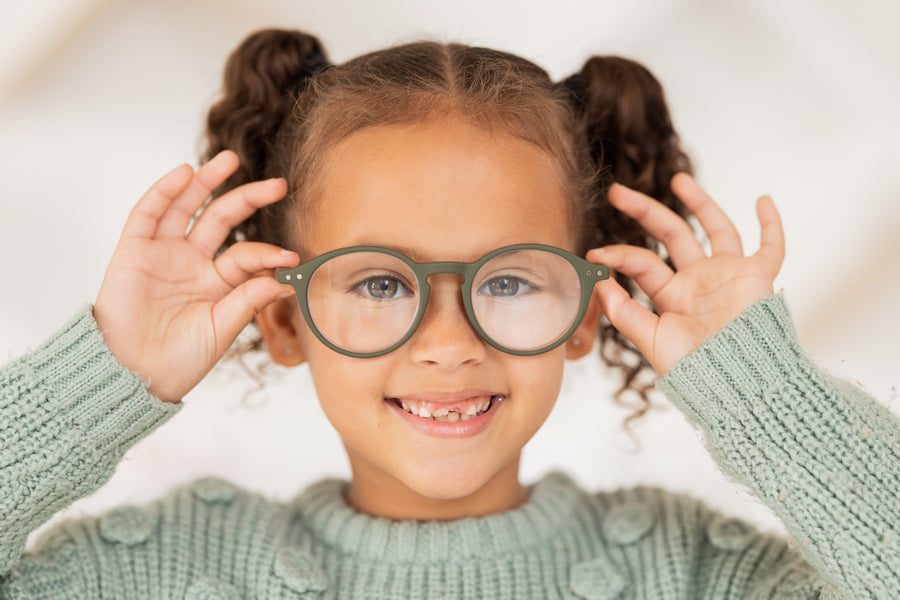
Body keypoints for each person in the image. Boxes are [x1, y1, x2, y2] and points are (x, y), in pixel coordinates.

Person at [1, 28, 897, 599]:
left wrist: (765, 396)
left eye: (507, 282)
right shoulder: (153, 572)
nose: (447, 344)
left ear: (587, 310)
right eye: (379, 284)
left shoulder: (698, 576)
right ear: (283, 320)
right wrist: (106, 371)